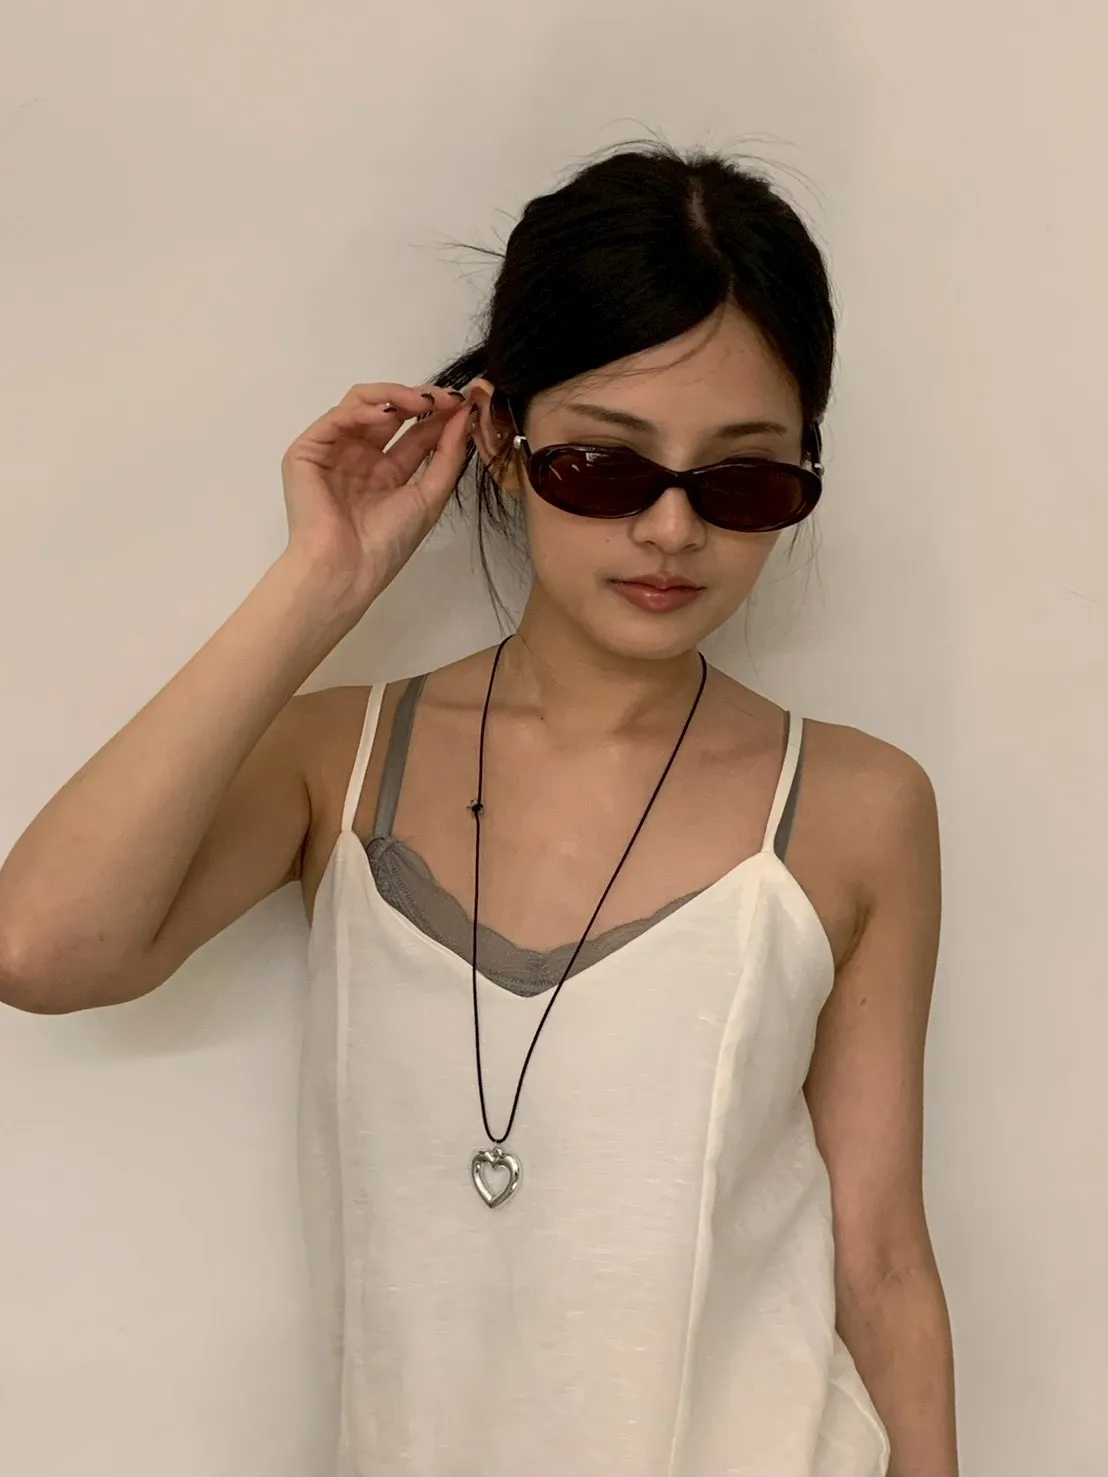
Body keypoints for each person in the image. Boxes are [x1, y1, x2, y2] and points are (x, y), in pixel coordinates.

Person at [0, 141, 958, 1476]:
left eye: (743, 482)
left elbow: (884, 1259)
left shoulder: (860, 806)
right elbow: (43, 950)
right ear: (502, 441)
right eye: (605, 467)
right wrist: (321, 585)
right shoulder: (339, 763)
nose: (671, 531)